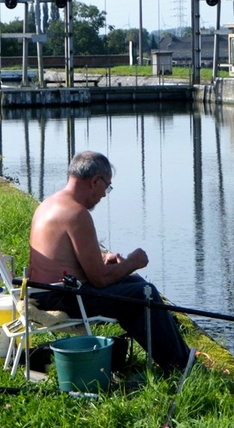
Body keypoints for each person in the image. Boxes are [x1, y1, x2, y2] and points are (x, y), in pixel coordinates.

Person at [28, 150, 191, 376]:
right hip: (61, 298)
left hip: (45, 291)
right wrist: (133, 261)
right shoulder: (77, 214)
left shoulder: (50, 203)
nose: (105, 194)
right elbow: (100, 279)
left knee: (135, 284)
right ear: (95, 181)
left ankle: (179, 353)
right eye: (107, 187)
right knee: (144, 293)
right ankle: (179, 366)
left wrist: (104, 258)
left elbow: (68, 259)